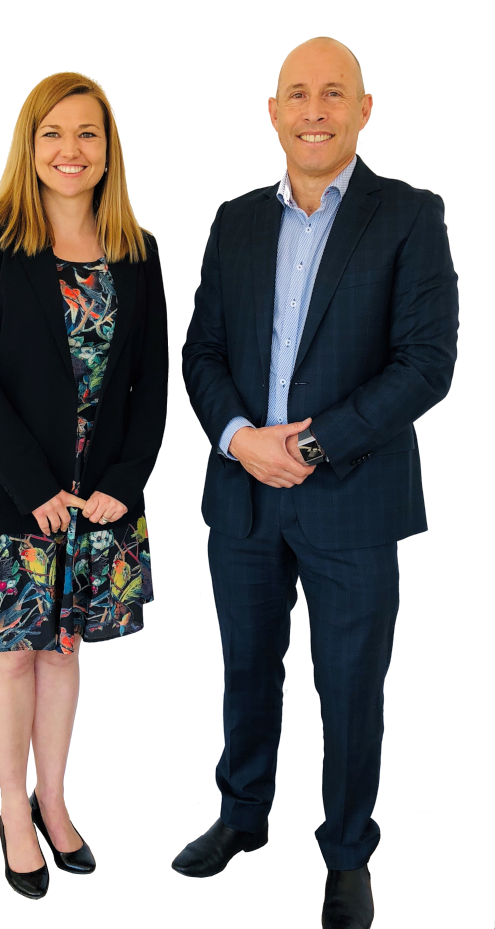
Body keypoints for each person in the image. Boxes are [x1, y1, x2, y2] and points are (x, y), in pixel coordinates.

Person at [177, 35, 458, 927]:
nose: (314, 110)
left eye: (334, 93)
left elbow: (427, 362)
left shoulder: (410, 214)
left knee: (350, 683)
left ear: (363, 110)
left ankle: (345, 854)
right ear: (273, 112)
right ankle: (242, 816)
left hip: (355, 495)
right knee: (247, 667)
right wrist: (238, 438)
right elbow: (202, 352)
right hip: (243, 494)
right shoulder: (234, 221)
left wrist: (314, 443)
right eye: (297, 93)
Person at [0, 71, 168, 900]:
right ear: (30, 146)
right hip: (7, 495)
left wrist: (126, 482)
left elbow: (150, 380)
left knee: (63, 650)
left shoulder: (137, 249)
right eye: (54, 133)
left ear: (108, 149)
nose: (72, 149)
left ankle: (55, 798)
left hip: (96, 500)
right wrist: (34, 486)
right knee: (10, 655)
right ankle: (11, 808)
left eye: (88, 133)